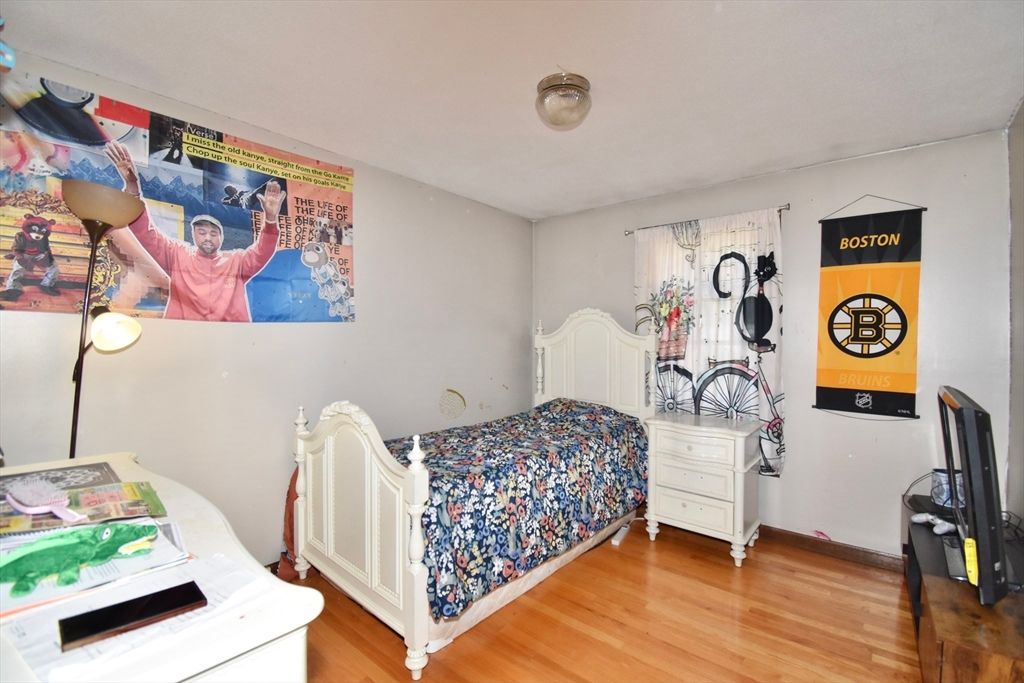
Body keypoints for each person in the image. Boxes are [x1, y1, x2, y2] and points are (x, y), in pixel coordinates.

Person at [105, 141, 283, 322]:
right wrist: (133, 188)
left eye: (214, 233)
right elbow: (146, 232)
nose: (208, 237)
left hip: (230, 340)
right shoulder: (176, 254)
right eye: (202, 232)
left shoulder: (236, 261)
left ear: (221, 238)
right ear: (194, 234)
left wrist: (270, 219)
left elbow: (263, 251)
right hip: (184, 338)